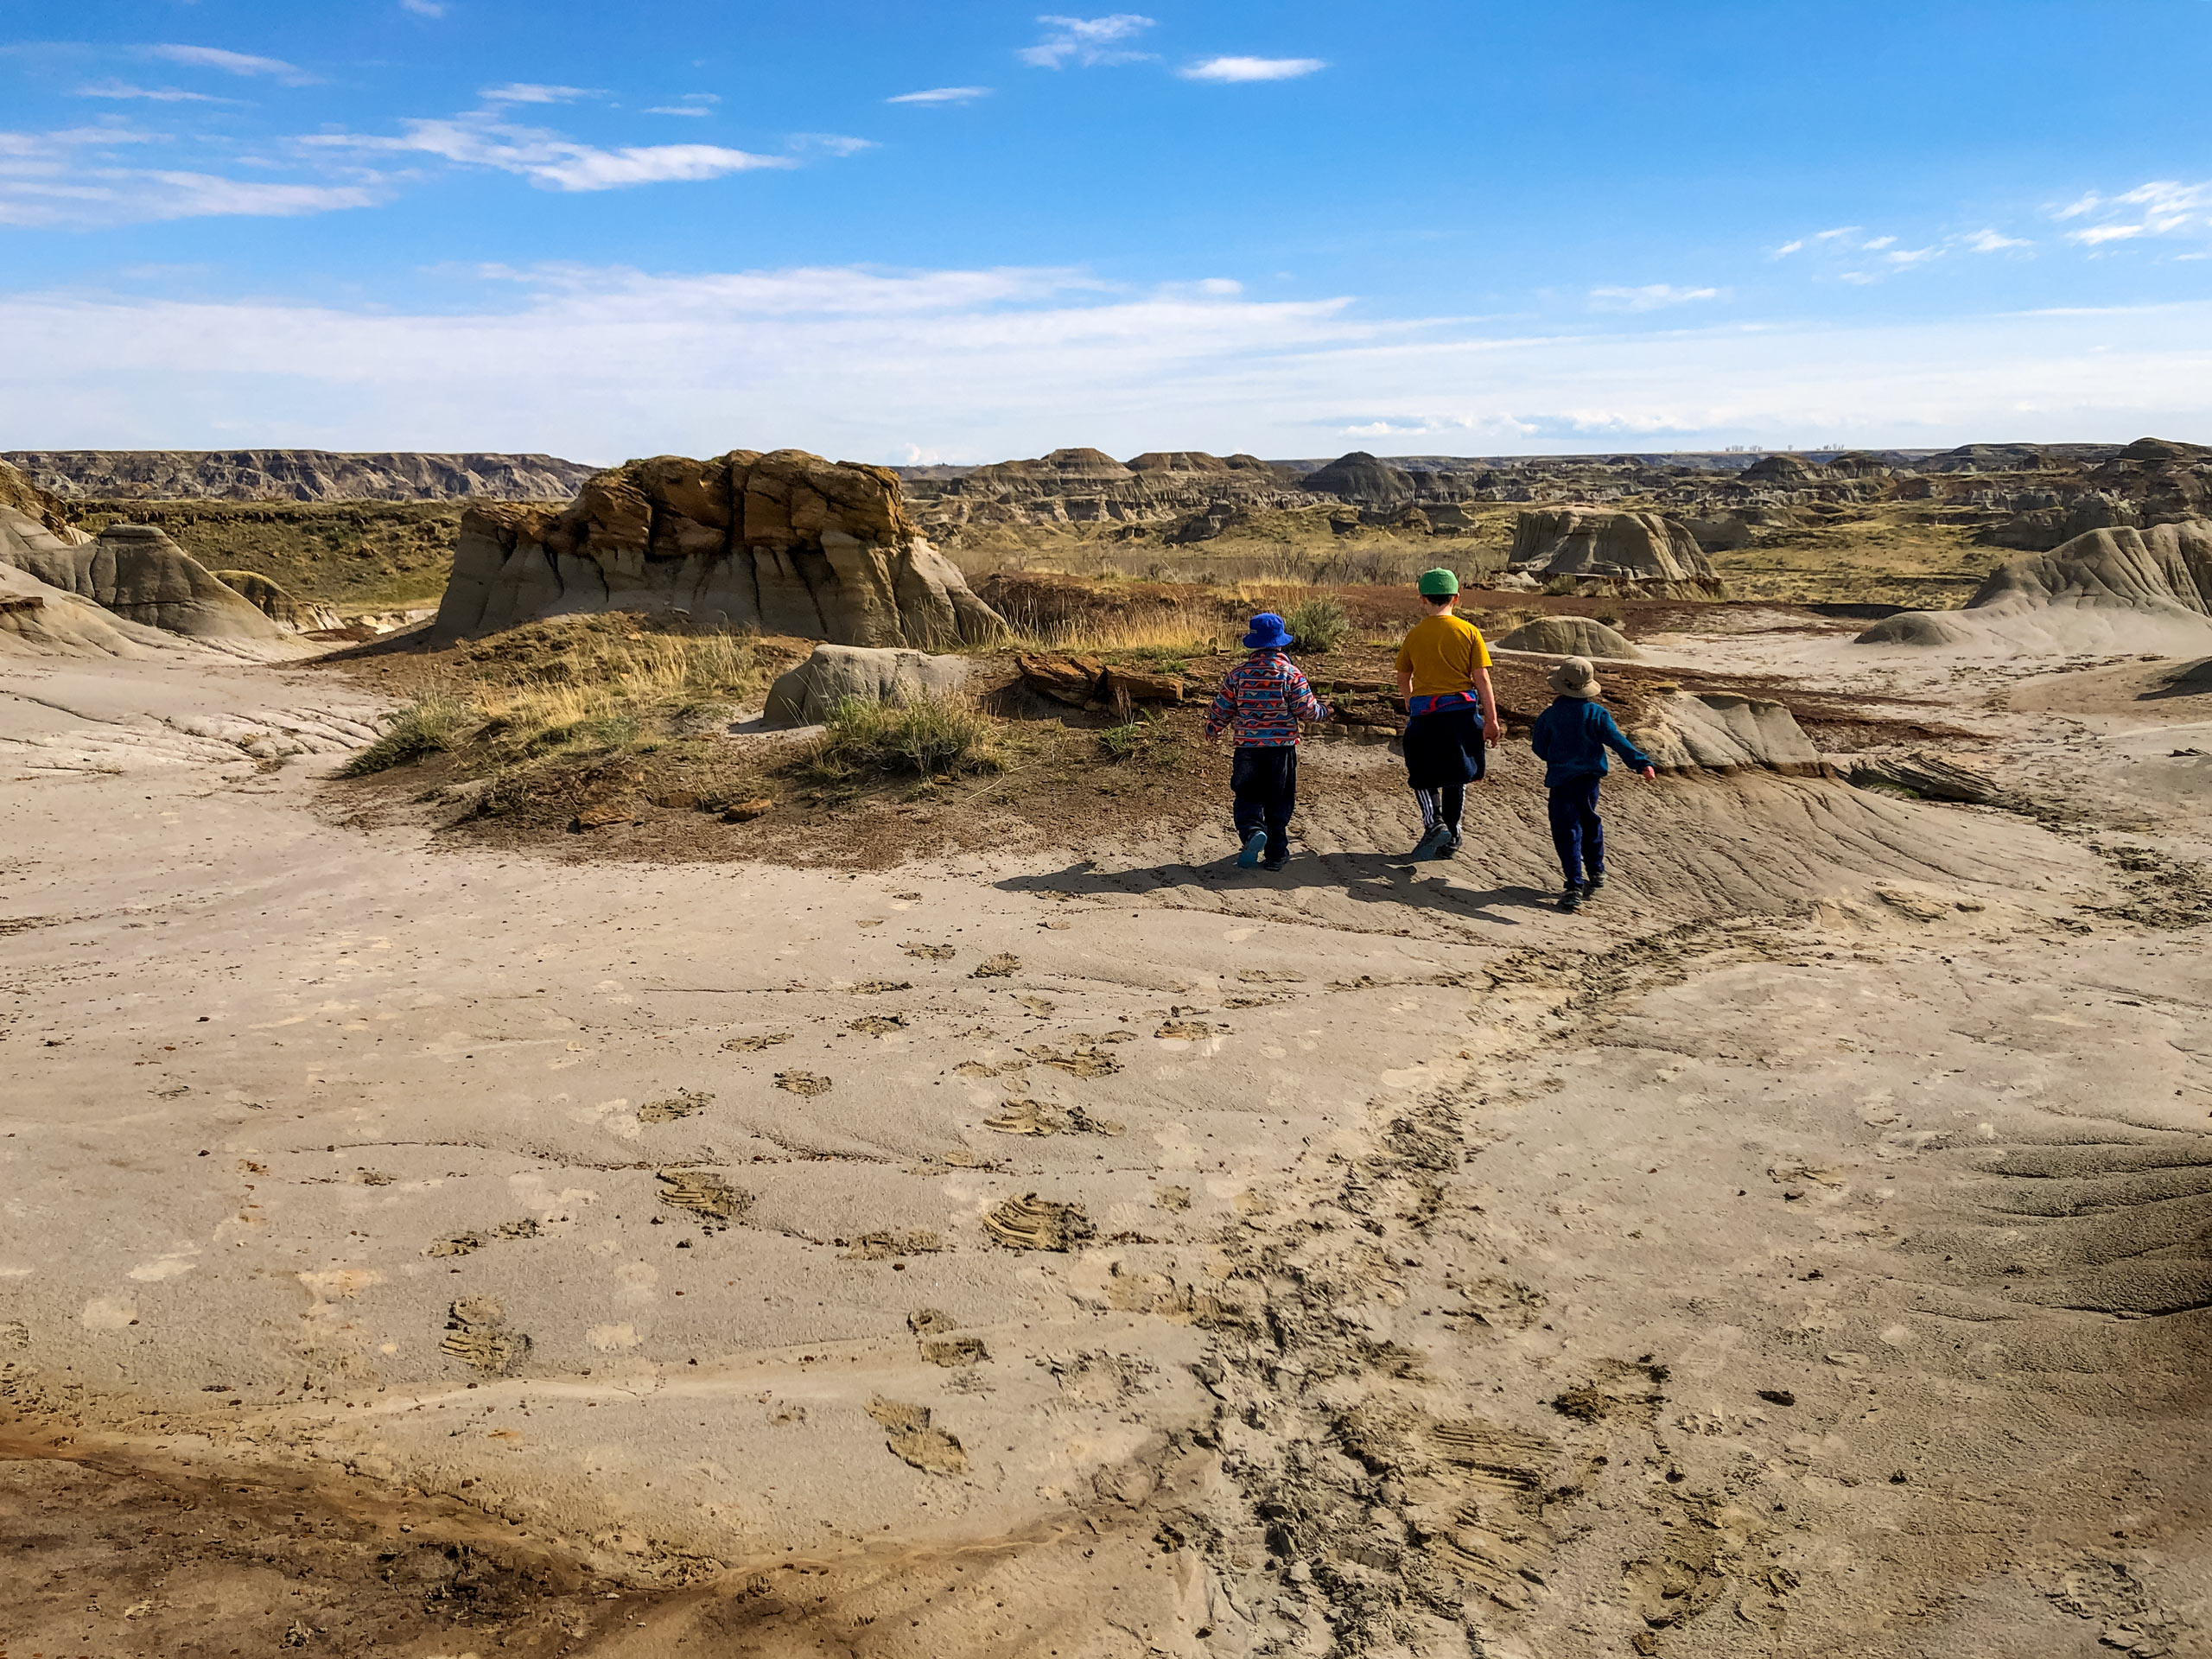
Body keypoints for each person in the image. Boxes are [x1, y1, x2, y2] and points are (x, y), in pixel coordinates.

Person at [1204, 611, 1332, 871]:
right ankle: (1276, 853)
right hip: (1281, 750)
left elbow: (1223, 706)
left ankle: (1252, 831)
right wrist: (1325, 711)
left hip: (1247, 748)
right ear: (1281, 642)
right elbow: (1306, 710)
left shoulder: (1238, 674)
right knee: (1279, 800)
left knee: (1247, 795)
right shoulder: (1291, 674)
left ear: (1252, 643)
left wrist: (1213, 726)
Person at [1528, 656, 1656, 912]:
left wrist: (1555, 757)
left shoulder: (1550, 716)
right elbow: (1618, 741)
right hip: (1589, 781)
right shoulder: (1597, 714)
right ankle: (1597, 871)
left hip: (1561, 781)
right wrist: (1642, 763)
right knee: (1589, 821)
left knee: (1567, 830)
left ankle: (1574, 885)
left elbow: (1539, 747)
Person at [1393, 568, 1499, 859]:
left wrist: (1410, 701)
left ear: (1422, 600)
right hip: (1462, 716)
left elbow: (1403, 677)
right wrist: (1491, 720)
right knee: (1457, 775)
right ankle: (1452, 836)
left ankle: (1434, 822)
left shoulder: (1414, 636)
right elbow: (1482, 679)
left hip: (1426, 716)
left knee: (1422, 773)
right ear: (1456, 598)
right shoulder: (1470, 632)